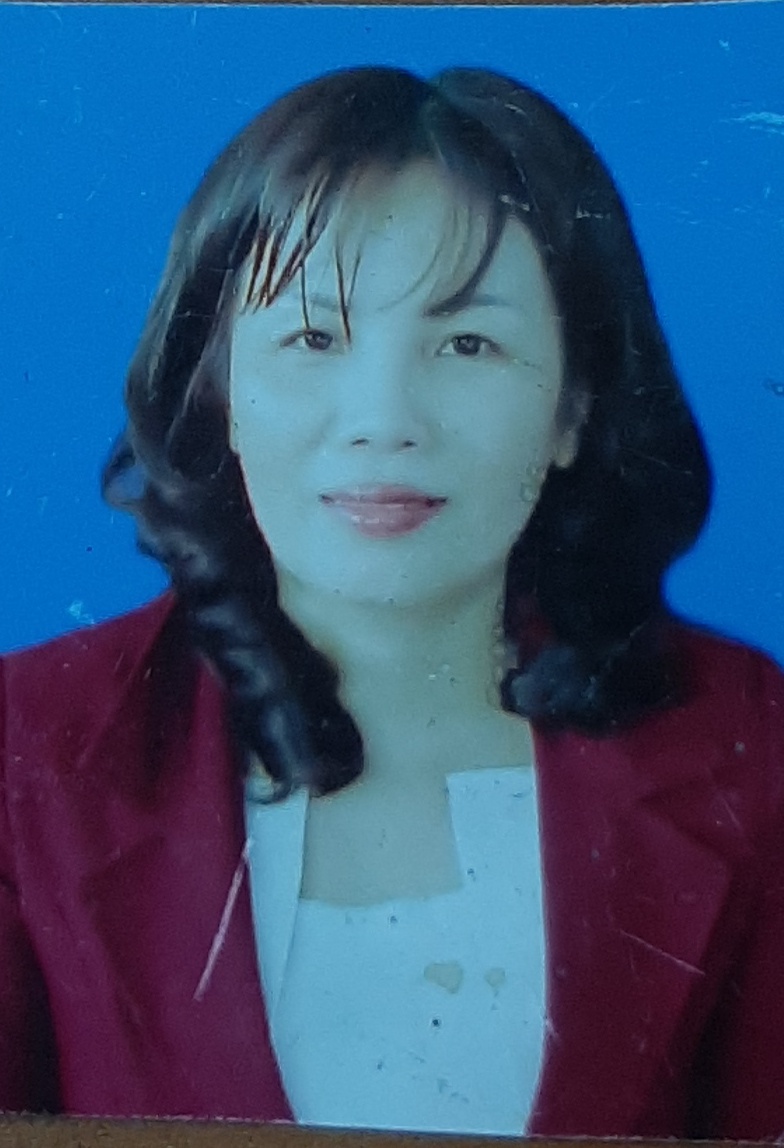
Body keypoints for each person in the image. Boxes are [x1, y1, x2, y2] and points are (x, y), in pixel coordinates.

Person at [2, 64, 784, 1138]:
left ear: (573, 407)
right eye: (313, 340)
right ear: (220, 390)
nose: (383, 418)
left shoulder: (747, 736)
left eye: (467, 343)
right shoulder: (28, 750)